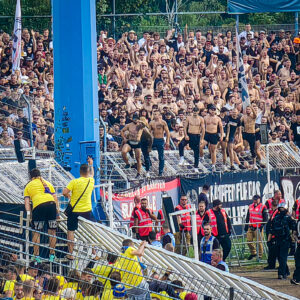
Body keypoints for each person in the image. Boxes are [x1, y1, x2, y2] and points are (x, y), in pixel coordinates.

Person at [24, 168, 59, 262]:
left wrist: (29, 215)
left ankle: (36, 255)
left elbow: (27, 203)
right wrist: (57, 213)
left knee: (36, 232)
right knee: (52, 232)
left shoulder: (28, 186)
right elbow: (55, 199)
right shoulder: (48, 183)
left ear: (31, 177)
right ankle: (52, 255)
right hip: (51, 205)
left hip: (38, 207)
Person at [62, 158, 95, 260]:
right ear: (88, 172)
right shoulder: (91, 181)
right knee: (92, 230)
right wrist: (91, 164)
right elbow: (92, 174)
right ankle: (94, 252)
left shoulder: (74, 182)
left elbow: (64, 192)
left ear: (80, 172)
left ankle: (71, 253)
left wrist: (69, 196)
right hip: (87, 210)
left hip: (74, 211)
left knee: (71, 231)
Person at [268, 202, 296, 279]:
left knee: (282, 257)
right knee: (281, 257)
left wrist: (269, 241)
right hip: (280, 240)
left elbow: (294, 229)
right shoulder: (283, 218)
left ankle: (281, 273)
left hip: (283, 240)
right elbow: (271, 230)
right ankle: (285, 272)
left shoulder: (283, 218)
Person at [178, 107, 205, 172]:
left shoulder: (201, 119)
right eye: (194, 111)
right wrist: (186, 135)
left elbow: (203, 129)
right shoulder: (189, 118)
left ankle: (196, 166)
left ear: (198, 112)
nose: (195, 113)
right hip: (189, 135)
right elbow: (185, 127)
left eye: (196, 111)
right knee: (181, 144)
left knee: (196, 152)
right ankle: (182, 158)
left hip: (196, 135)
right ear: (192, 112)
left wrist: (202, 139)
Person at [121, 113, 145, 178]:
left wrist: (140, 121)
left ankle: (138, 173)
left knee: (138, 158)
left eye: (136, 118)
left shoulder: (140, 125)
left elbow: (145, 124)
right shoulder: (129, 125)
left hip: (137, 143)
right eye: (134, 118)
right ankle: (127, 163)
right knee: (123, 151)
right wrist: (124, 138)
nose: (135, 120)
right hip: (130, 142)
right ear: (132, 119)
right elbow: (122, 131)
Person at [201, 104, 224, 172]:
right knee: (200, 146)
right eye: (212, 110)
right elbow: (202, 127)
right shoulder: (205, 117)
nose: (213, 111)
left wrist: (222, 135)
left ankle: (213, 165)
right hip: (207, 134)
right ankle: (201, 157)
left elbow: (221, 128)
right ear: (209, 110)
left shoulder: (218, 118)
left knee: (213, 150)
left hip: (214, 134)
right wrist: (201, 135)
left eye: (214, 110)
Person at [244, 195, 268, 260]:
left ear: (259, 199)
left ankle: (259, 256)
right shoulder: (250, 206)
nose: (255, 201)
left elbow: (265, 218)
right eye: (254, 199)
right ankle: (253, 253)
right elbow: (248, 216)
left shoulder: (263, 207)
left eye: (256, 199)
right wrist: (246, 225)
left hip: (258, 227)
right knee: (249, 241)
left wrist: (261, 226)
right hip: (251, 226)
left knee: (259, 242)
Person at [149, 110, 170, 176]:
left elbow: (167, 132)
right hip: (154, 139)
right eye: (154, 114)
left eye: (156, 114)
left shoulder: (163, 122)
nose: (155, 115)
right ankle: (149, 165)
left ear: (159, 115)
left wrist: (167, 141)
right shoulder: (151, 123)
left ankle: (160, 171)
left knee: (161, 156)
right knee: (146, 151)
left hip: (160, 140)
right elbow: (149, 133)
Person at [291, 219, 300, 285]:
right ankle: (296, 278)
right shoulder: (298, 222)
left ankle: (296, 278)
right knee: (297, 258)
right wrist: (297, 240)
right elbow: (294, 233)